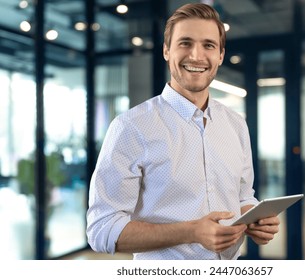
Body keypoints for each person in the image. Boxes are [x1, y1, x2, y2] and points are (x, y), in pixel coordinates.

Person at [86, 2, 280, 260]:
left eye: (208, 45)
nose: (197, 56)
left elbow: (244, 195)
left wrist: (256, 218)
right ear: (167, 51)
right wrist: (191, 231)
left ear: (221, 55)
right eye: (185, 43)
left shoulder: (235, 124)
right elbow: (102, 230)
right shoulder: (131, 128)